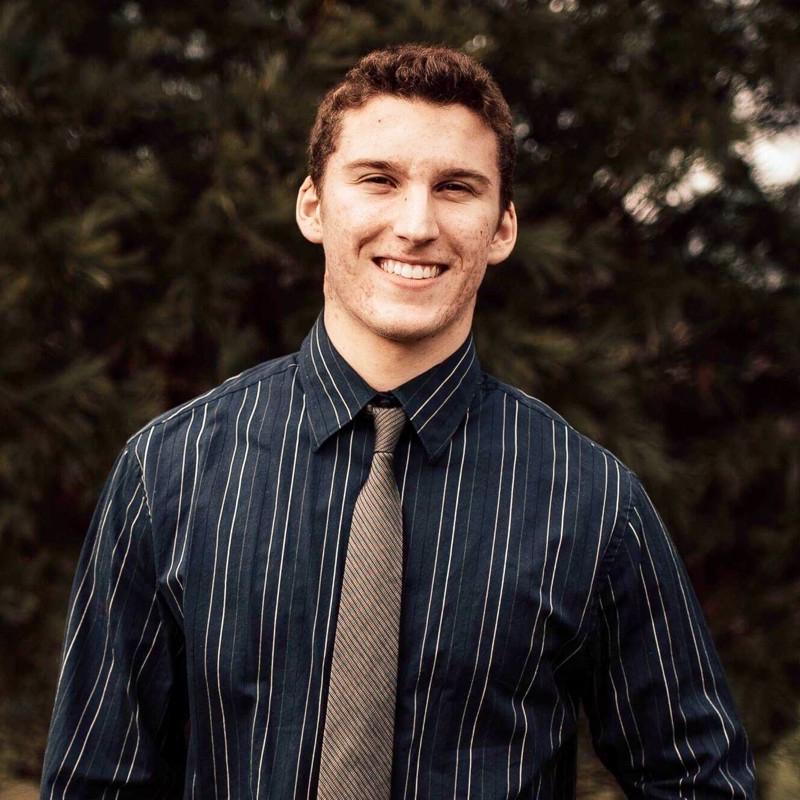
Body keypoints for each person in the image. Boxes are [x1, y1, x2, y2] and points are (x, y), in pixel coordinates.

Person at [41, 44, 756, 799]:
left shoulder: (592, 502)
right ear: (313, 207)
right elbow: (96, 784)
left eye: (456, 188)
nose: (415, 224)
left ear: (503, 227)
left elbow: (701, 783)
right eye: (378, 180)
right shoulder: (167, 473)